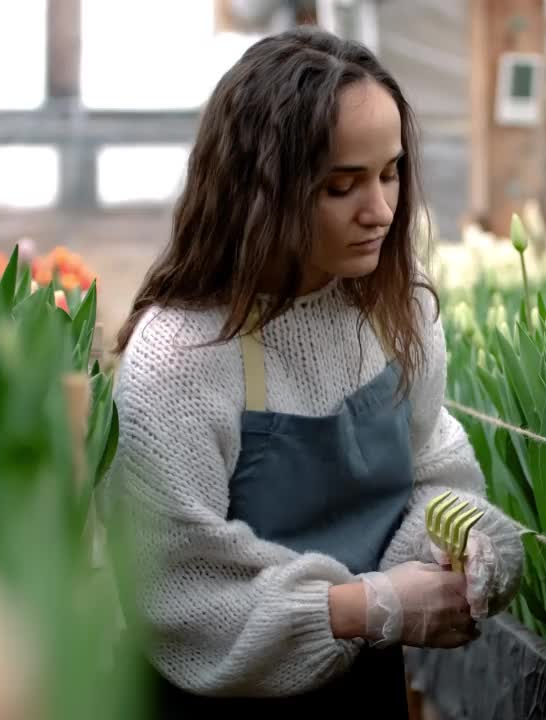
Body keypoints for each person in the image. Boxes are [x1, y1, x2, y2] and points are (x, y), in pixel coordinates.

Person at [98, 26, 523, 717]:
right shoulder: (180, 358)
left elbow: (431, 466)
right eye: (341, 185)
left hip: (363, 691)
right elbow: (173, 587)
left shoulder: (393, 304)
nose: (381, 211)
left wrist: (465, 536)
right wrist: (362, 607)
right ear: (259, 192)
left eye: (391, 173)